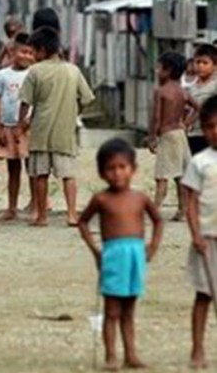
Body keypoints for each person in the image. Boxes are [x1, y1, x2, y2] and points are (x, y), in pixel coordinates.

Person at [78, 138, 163, 371]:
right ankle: (110, 356)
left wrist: (153, 246)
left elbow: (158, 220)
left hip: (135, 255)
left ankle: (131, 355)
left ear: (133, 169)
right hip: (113, 256)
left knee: (129, 310)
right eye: (110, 168)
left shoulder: (140, 198)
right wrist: (95, 251)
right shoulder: (101, 199)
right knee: (112, 310)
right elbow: (82, 222)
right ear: (101, 172)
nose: (117, 173)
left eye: (122, 167)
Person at [20, 27, 95, 227]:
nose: (32, 56)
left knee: (40, 175)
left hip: (41, 131)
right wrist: (74, 111)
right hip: (65, 131)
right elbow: (87, 98)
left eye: (34, 51)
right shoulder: (73, 70)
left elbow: (25, 102)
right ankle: (71, 214)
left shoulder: (35, 71)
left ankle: (42, 216)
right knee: (68, 175)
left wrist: (21, 124)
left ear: (42, 50)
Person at [181, 95, 217, 369]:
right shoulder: (199, 162)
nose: (214, 132)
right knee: (203, 295)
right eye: (209, 126)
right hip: (206, 240)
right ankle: (197, 349)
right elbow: (190, 202)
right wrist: (195, 234)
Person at [149, 52, 200, 221]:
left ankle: (155, 209)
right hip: (180, 134)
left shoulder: (161, 91)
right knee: (180, 176)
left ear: (168, 70)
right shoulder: (182, 91)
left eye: (159, 67)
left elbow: (156, 117)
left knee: (162, 176)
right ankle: (182, 210)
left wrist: (152, 138)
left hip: (167, 134)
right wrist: (187, 123)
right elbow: (198, 107)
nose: (156, 71)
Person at [0, 32, 34, 221]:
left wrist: (28, 122)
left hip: (28, 128)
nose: (26, 56)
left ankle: (36, 205)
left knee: (32, 168)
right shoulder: (2, 75)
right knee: (12, 169)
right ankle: (12, 207)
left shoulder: (34, 74)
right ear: (12, 51)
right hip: (7, 127)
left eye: (30, 53)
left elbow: (38, 101)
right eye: (22, 52)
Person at [187, 44, 217, 155]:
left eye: (205, 63)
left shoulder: (215, 85)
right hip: (194, 133)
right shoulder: (192, 87)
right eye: (198, 62)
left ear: (214, 66)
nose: (200, 66)